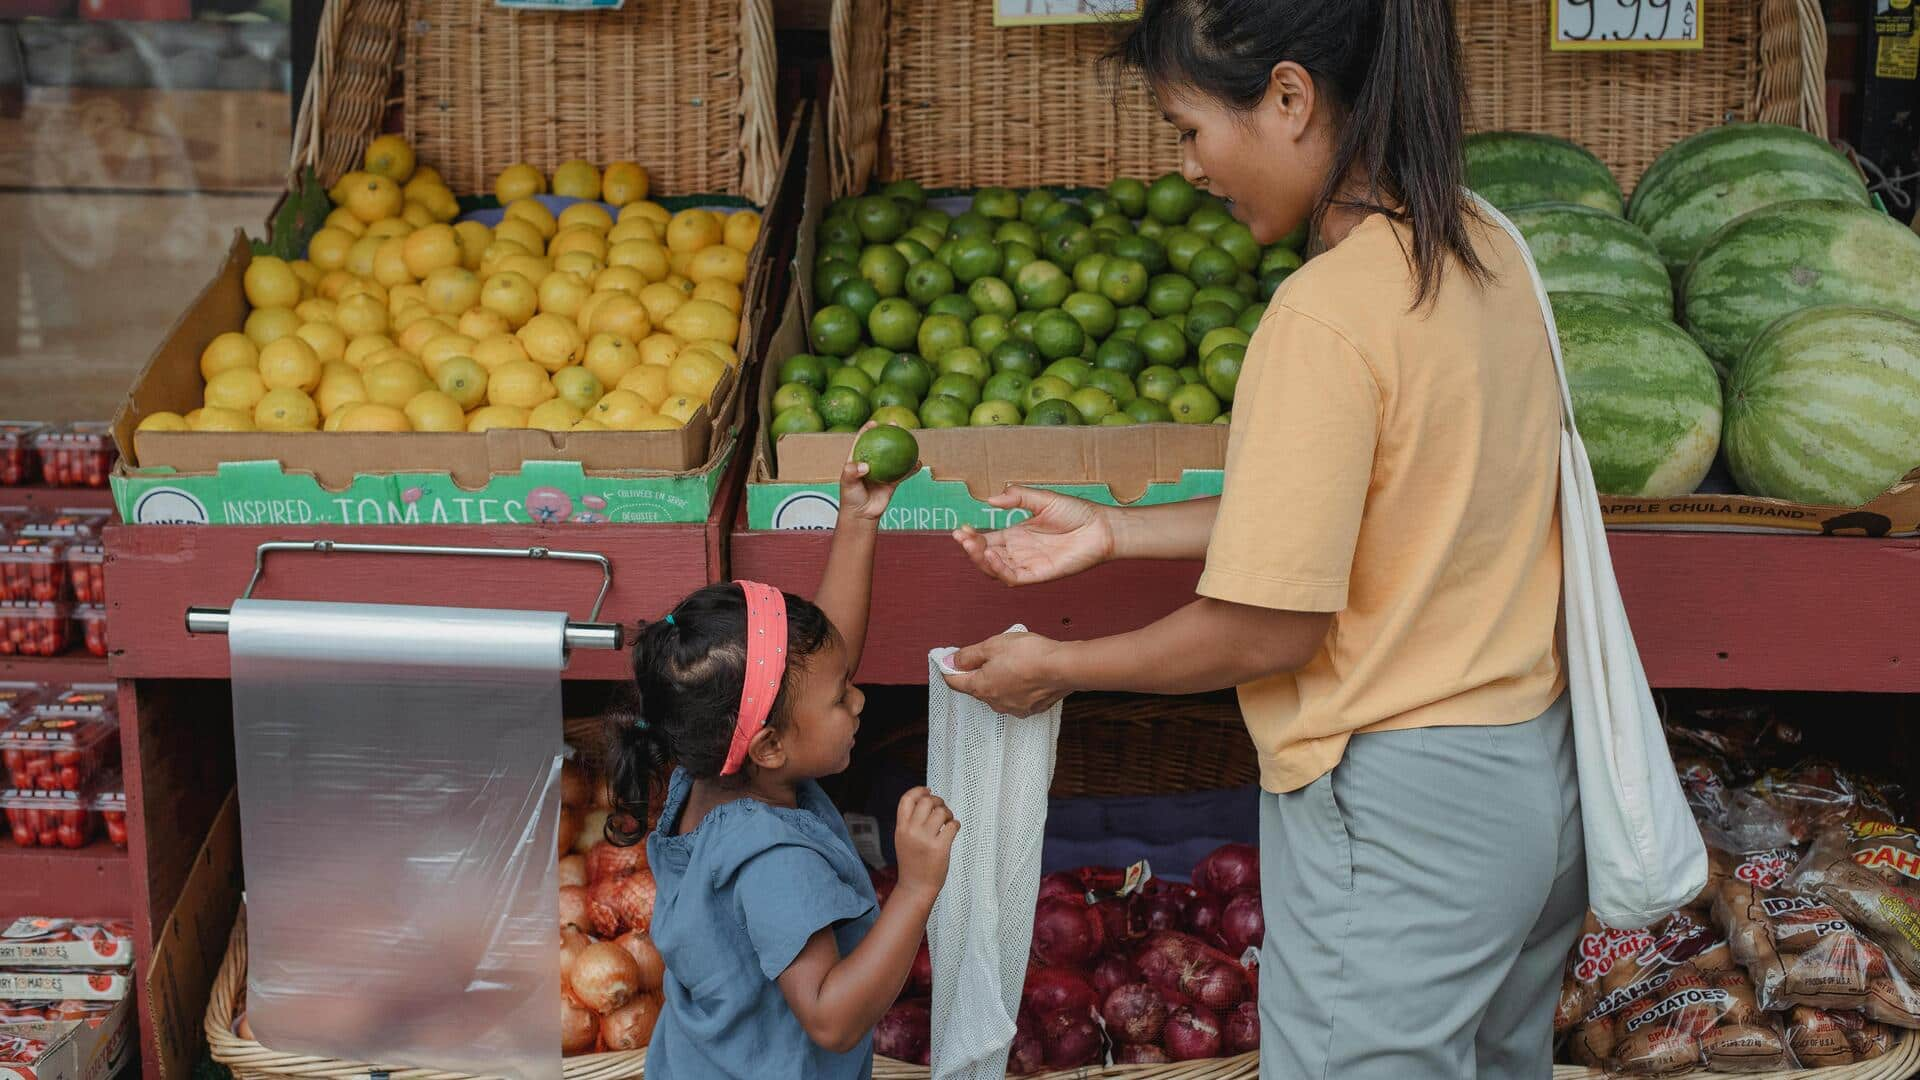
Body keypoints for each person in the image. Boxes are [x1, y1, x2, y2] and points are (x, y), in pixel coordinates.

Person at [943, 1, 1585, 1076]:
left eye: (1190, 130)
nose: (1189, 168)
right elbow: (1380, 509)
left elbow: (1267, 629)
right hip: (1526, 790)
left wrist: (1061, 668)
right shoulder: (1483, 254)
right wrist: (1117, 532)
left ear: (1290, 98)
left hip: (1400, 816)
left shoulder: (1323, 316)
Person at [604, 431, 956, 1080]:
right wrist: (916, 886)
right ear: (768, 745)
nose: (859, 702)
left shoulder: (707, 765)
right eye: (841, 697)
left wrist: (857, 521)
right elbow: (830, 1017)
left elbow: (819, 661)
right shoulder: (774, 863)